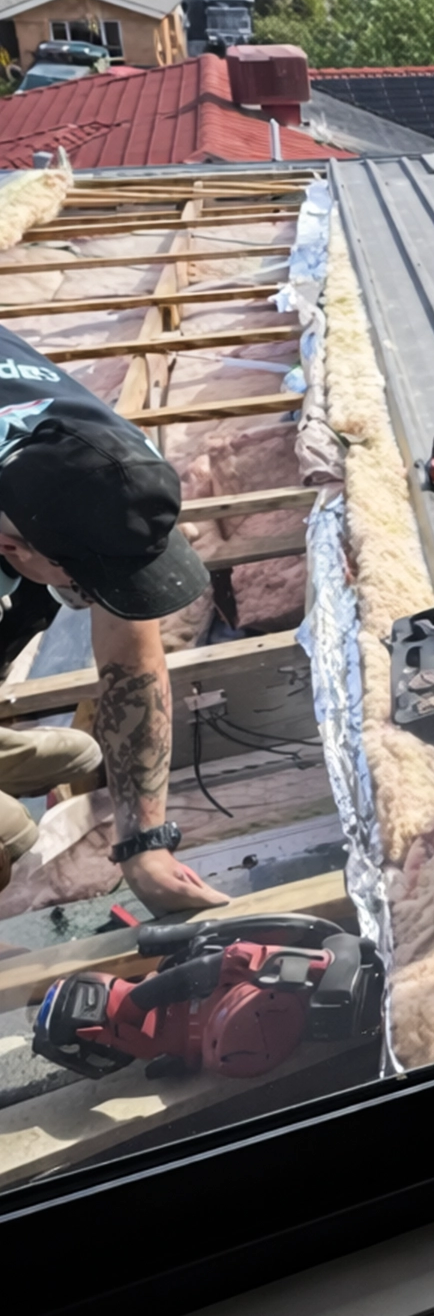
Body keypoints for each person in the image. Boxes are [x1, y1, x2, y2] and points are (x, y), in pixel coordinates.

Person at [0, 323, 227, 913]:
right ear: (13, 549)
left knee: (82, 756)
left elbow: (130, 660)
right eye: (84, 580)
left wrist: (144, 842)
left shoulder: (103, 454)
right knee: (10, 836)